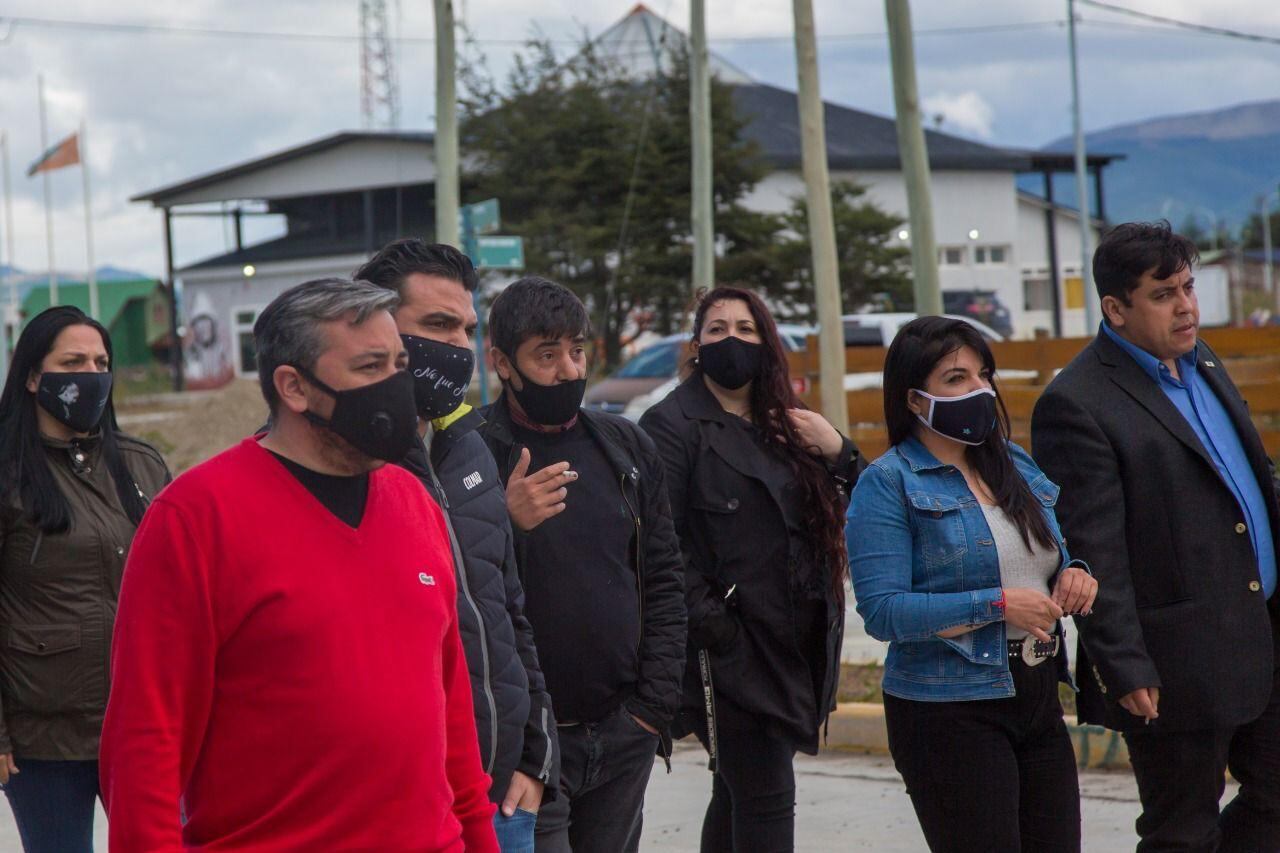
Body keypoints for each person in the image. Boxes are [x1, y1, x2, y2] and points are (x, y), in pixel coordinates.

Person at [99, 278, 498, 852]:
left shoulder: (415, 504)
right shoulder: (194, 519)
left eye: (399, 363)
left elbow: (452, 718)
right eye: (369, 366)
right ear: (294, 386)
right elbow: (145, 747)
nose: (395, 386)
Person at [1032, 222, 1280, 852]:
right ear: (1115, 308)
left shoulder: (1202, 361)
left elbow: (1247, 478)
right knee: (1182, 829)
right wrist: (1124, 664)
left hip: (1261, 631)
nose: (1187, 305)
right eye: (1164, 293)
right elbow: (1093, 550)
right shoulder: (1078, 402)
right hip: (1175, 660)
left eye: (1189, 286)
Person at [846, 316, 1098, 853]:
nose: (979, 389)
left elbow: (1050, 552)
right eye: (956, 378)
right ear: (914, 400)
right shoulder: (887, 483)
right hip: (946, 709)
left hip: (1037, 693)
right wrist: (998, 604)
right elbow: (884, 612)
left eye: (984, 374)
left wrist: (1076, 573)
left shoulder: (1014, 462)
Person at [639, 286, 861, 852]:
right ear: (696, 344)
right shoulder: (672, 424)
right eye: (716, 329)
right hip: (733, 652)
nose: (731, 340)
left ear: (766, 341)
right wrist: (717, 626)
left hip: (797, 642)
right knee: (765, 799)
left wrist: (839, 450)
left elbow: (868, 506)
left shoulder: (789, 422)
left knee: (737, 794)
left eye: (745, 328)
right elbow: (659, 542)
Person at [356, 240, 559, 852]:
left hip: (502, 800)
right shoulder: (338, 463)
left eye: (467, 328)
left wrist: (536, 752)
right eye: (437, 325)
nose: (457, 346)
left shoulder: (470, 447)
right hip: (398, 810)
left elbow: (505, 609)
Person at [477, 276, 685, 853]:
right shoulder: (473, 454)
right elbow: (459, 592)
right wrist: (506, 522)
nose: (569, 370)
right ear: (502, 363)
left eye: (576, 350)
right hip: (528, 748)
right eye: (546, 356)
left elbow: (665, 578)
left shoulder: (625, 446)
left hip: (623, 732)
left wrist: (651, 709)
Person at [0, 307, 170, 853]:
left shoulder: (142, 466)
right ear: (32, 377)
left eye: (100, 361)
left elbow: (181, 595)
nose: (90, 374)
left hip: (143, 724)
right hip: (45, 735)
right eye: (72, 362)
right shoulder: (7, 476)